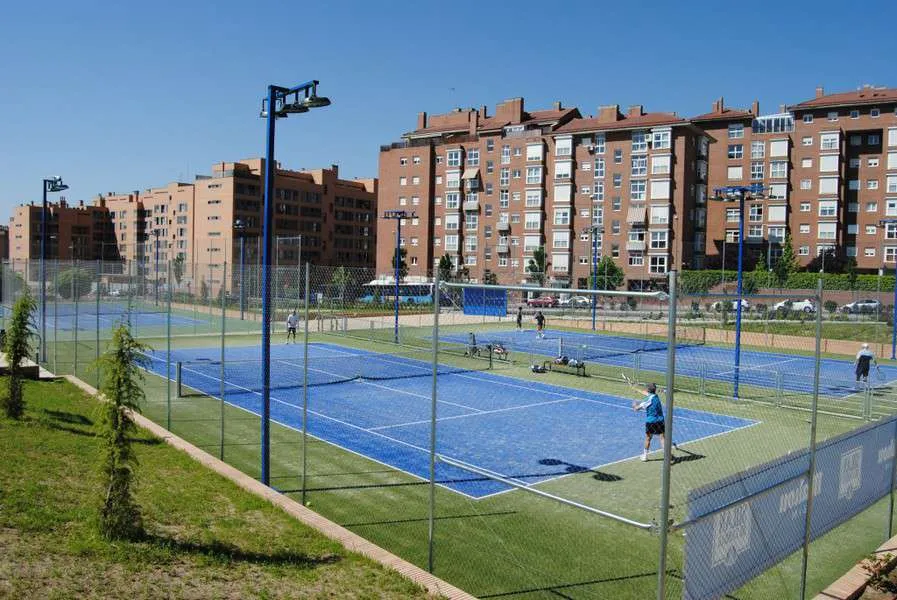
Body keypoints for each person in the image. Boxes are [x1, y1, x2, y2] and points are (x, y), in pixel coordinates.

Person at [632, 382, 666, 462]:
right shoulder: (656, 396)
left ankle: (645, 456)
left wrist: (634, 404)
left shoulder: (647, 400)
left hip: (651, 422)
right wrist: (636, 389)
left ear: (648, 389)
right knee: (662, 438)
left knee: (648, 438)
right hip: (660, 420)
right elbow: (646, 393)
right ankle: (666, 456)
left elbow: (636, 409)